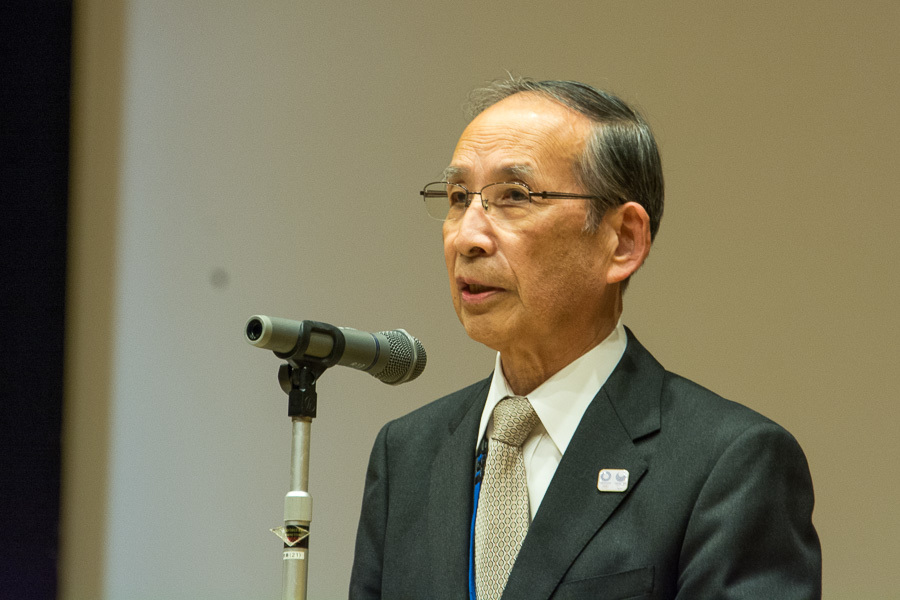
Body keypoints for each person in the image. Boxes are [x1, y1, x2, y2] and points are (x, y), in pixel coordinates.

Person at [349, 78, 821, 599]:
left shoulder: (728, 464)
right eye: (460, 198)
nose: (467, 236)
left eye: (514, 197)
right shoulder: (407, 455)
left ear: (622, 241)